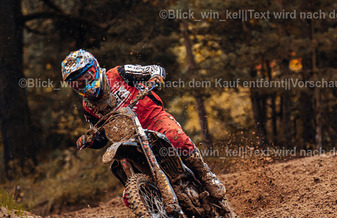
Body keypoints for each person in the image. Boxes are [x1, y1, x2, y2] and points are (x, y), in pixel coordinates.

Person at [61, 49, 225, 201]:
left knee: (175, 136)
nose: (84, 84)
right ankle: (152, 205)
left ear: (95, 68)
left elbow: (154, 69)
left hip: (153, 119)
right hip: (128, 138)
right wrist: (90, 140)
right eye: (78, 83)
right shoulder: (88, 107)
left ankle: (206, 176)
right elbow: (102, 134)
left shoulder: (119, 74)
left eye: (87, 77)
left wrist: (155, 77)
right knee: (120, 169)